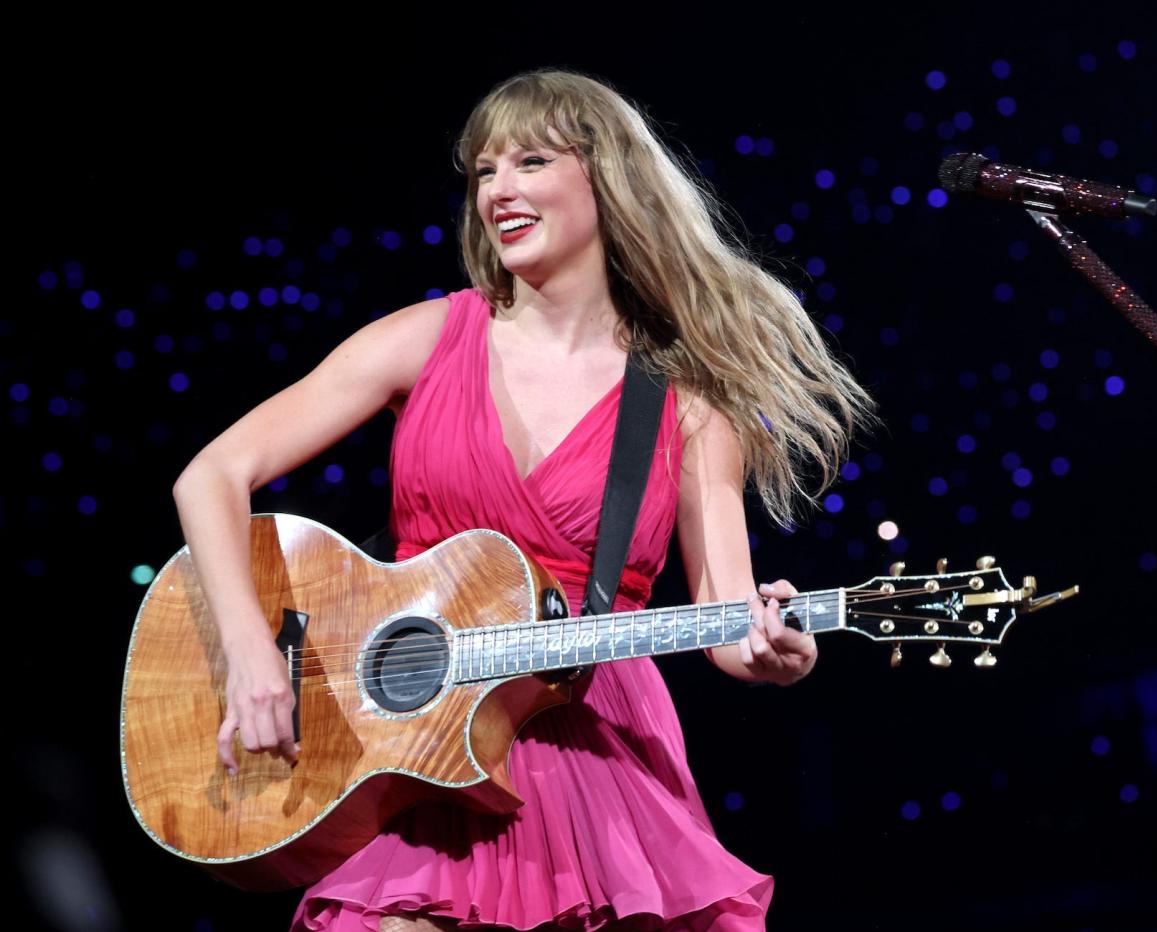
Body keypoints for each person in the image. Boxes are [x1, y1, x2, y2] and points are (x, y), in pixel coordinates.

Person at [172, 69, 873, 931]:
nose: (498, 190)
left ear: (606, 179)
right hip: (419, 739)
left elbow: (727, 614)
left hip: (591, 746)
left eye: (530, 161)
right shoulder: (425, 337)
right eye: (483, 172)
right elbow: (210, 474)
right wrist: (250, 656)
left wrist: (771, 649)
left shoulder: (687, 402)